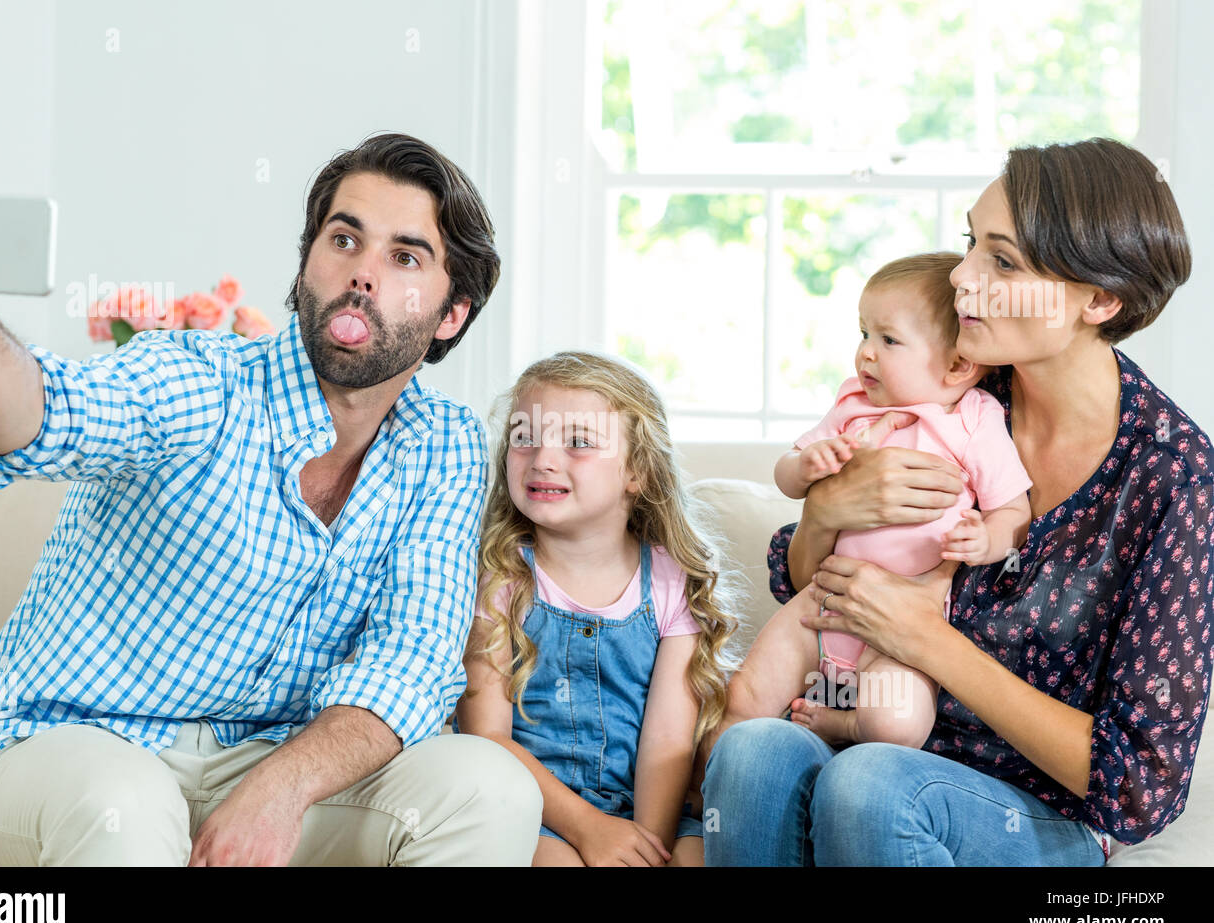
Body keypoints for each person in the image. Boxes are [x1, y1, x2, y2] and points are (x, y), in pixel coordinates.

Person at [0, 132, 543, 866]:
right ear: (308, 264)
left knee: (489, 789)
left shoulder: (446, 444)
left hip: (271, 762)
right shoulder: (200, 381)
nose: (362, 274)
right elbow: (45, 413)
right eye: (344, 239)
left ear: (451, 315)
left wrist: (281, 787)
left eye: (404, 257)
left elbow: (411, 660)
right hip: (70, 750)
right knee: (127, 806)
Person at [702, 137, 1212, 866]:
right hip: (874, 733)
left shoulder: (1172, 480)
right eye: (970, 243)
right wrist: (827, 510)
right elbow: (805, 583)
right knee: (754, 752)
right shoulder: (951, 391)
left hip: (1033, 813)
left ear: (1098, 299)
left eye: (1002, 261)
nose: (961, 279)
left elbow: (1139, 787)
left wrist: (929, 642)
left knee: (870, 783)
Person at [454, 352, 739, 866]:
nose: (542, 458)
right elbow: (488, 735)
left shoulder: (673, 581)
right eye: (525, 437)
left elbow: (667, 741)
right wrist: (589, 829)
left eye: (579, 442)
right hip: (536, 809)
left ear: (638, 471)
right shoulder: (500, 577)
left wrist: (643, 843)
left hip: (652, 807)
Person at [750, 252, 1032, 750]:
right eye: (863, 333)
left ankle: (848, 725)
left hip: (905, 623)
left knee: (895, 724)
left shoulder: (973, 420)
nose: (866, 354)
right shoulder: (853, 403)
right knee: (747, 694)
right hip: (821, 604)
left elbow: (1014, 511)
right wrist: (808, 466)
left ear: (958, 365)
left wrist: (985, 538)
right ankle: (706, 780)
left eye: (888, 339)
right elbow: (786, 475)